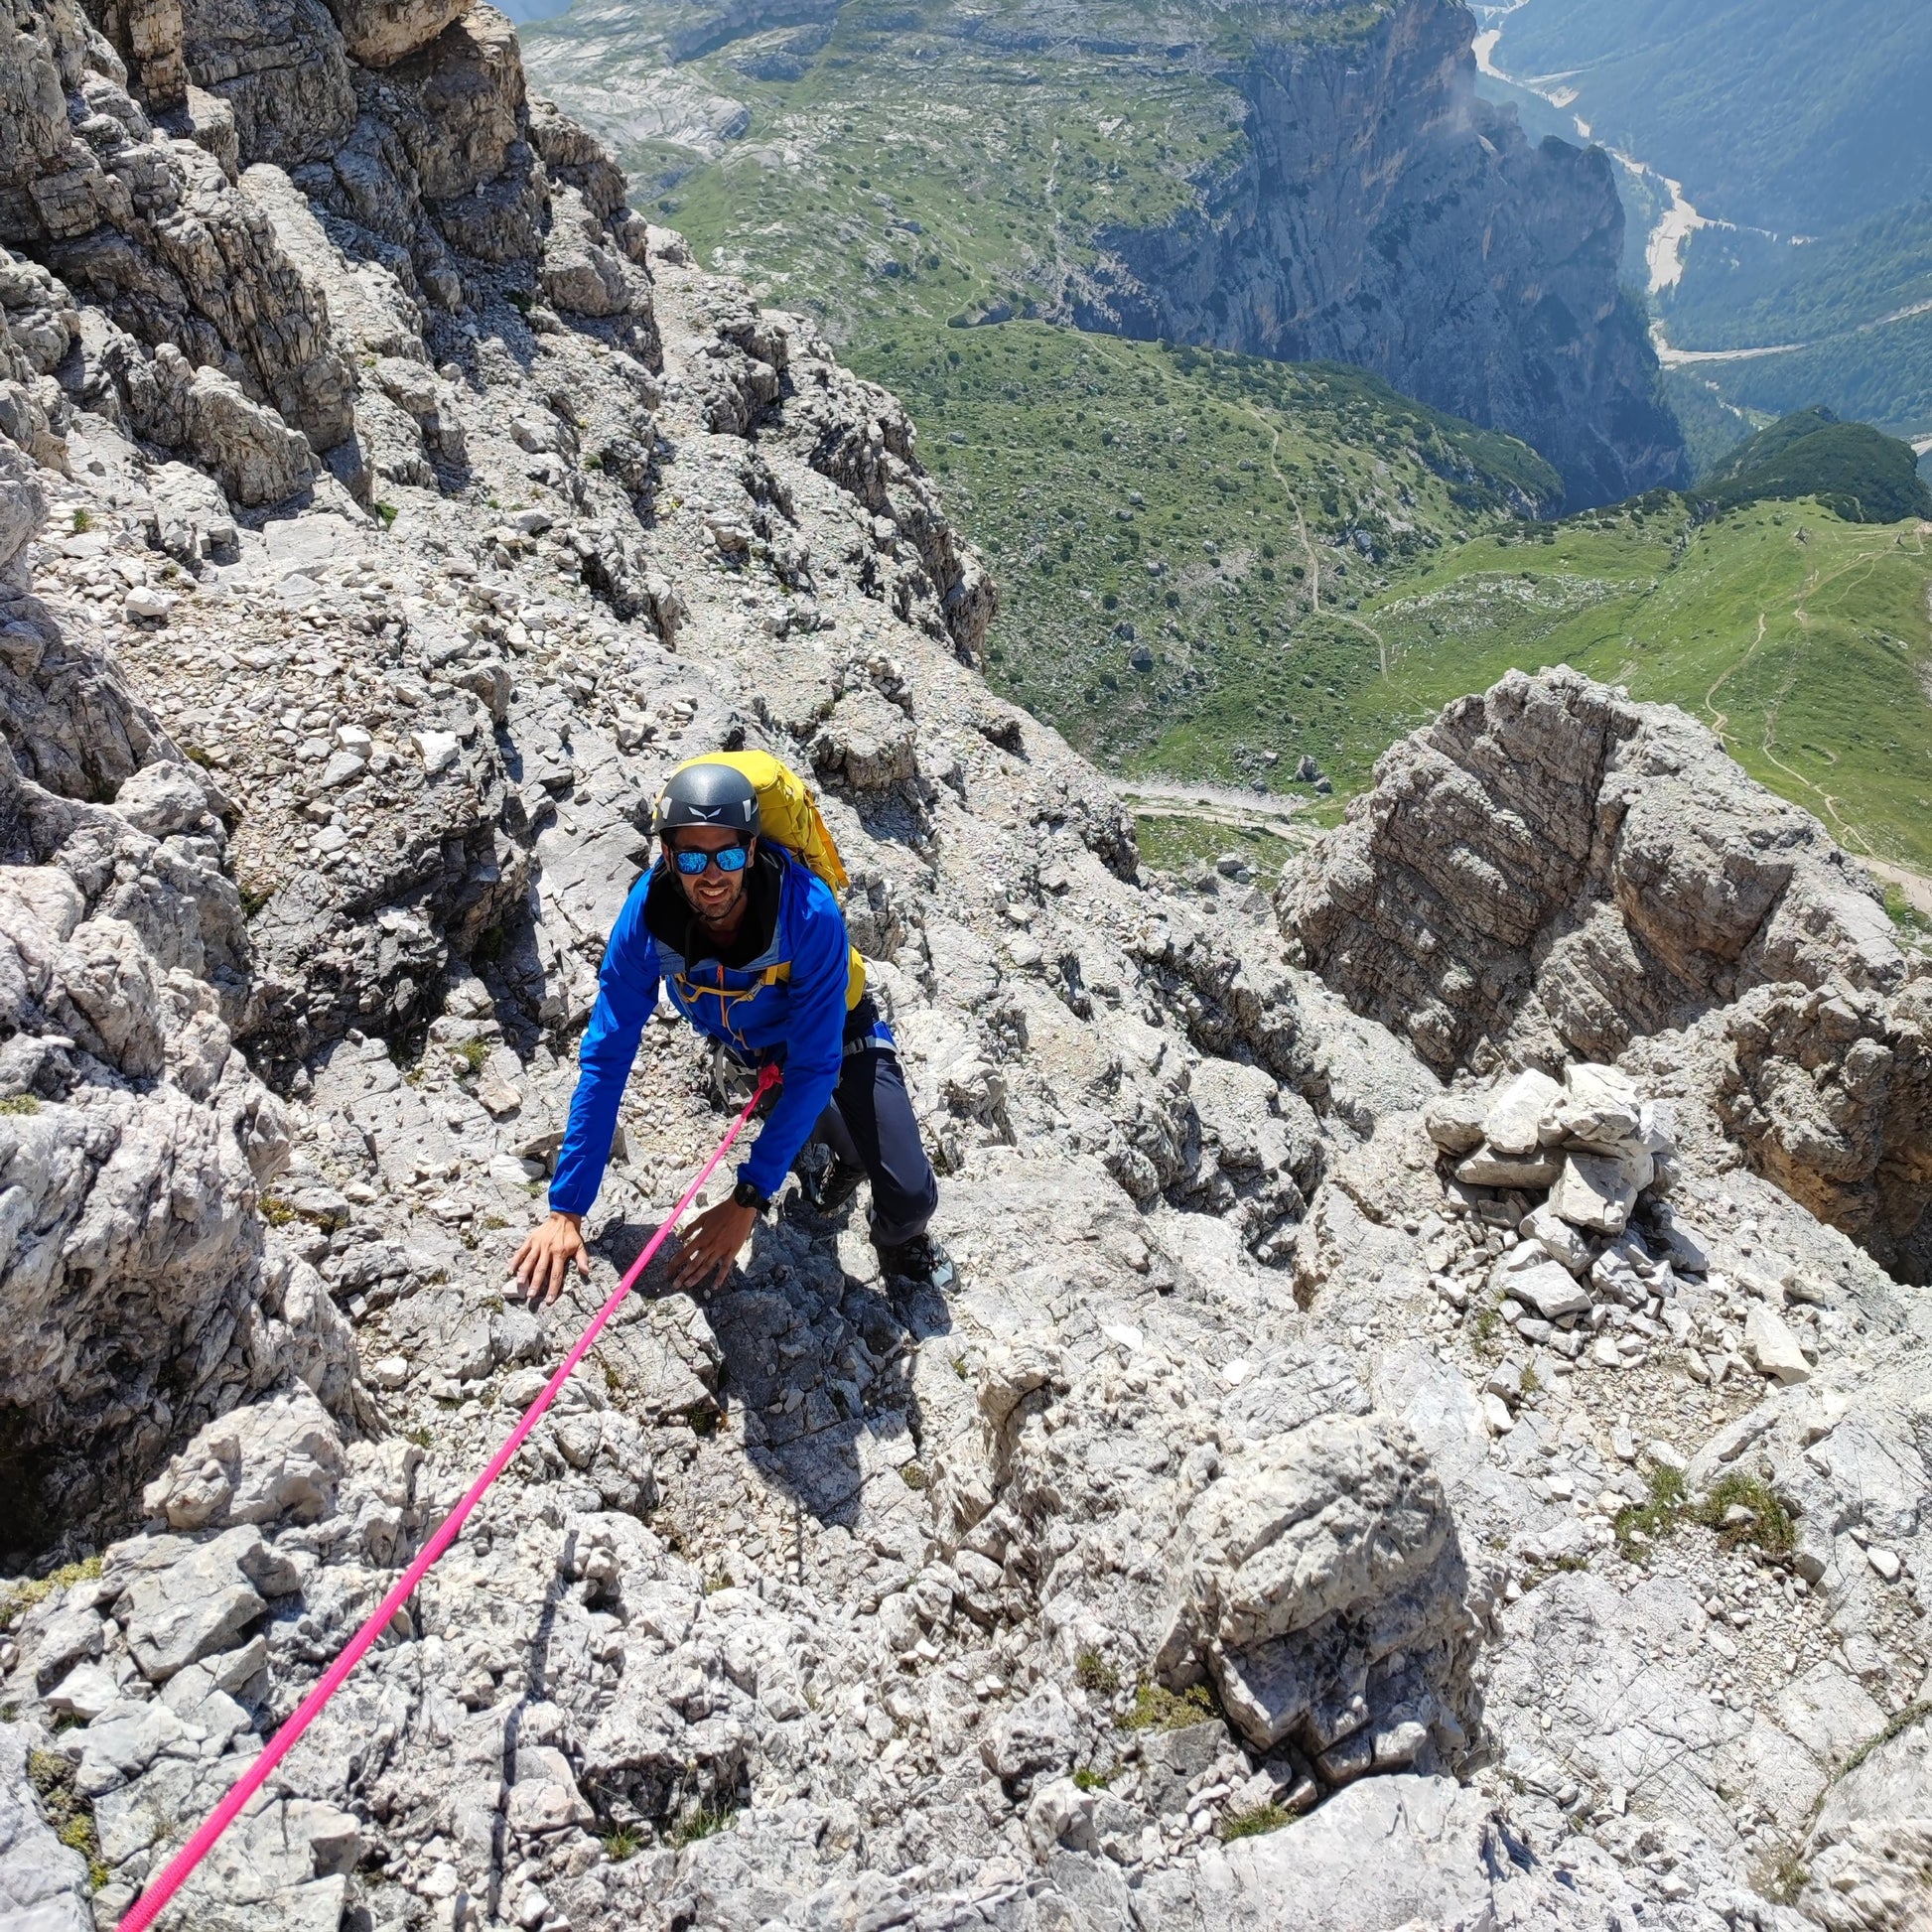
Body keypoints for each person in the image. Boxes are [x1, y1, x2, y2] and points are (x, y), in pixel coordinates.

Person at [512, 758, 948, 1306]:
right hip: (758, 1044)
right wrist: (566, 1207)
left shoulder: (807, 913)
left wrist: (748, 1197)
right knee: (823, 1134)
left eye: (729, 854)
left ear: (753, 849)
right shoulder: (647, 923)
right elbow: (607, 1057)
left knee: (910, 1199)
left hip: (839, 1030)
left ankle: (899, 1241)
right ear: (667, 856)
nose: (711, 875)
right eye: (692, 856)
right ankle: (846, 1156)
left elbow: (816, 1064)